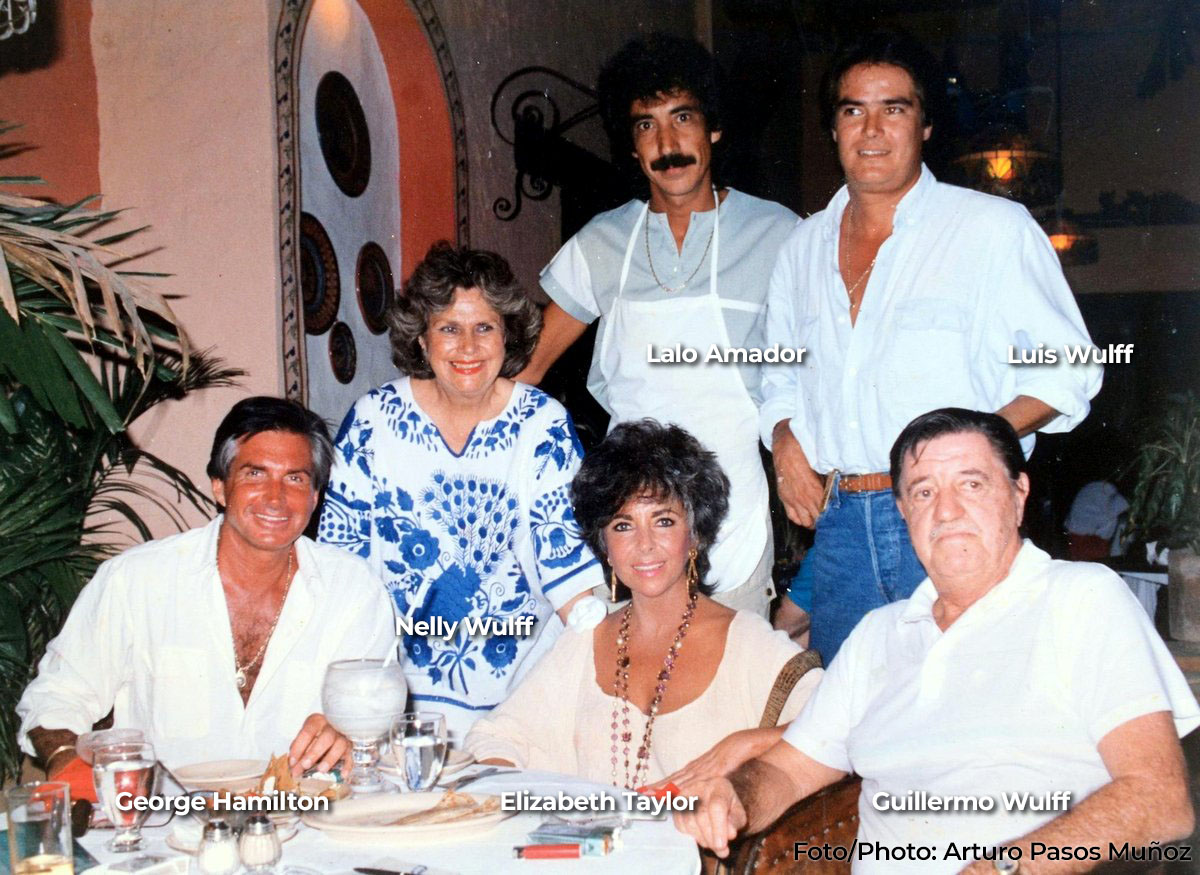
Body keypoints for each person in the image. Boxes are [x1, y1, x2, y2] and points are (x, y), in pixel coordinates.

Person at [675, 409, 1198, 872]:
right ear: (903, 513)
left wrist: (1005, 869)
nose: (945, 511)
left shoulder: (1082, 598)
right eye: (923, 491)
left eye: (971, 484)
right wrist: (735, 796)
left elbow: (1160, 799)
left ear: (1019, 495)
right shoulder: (880, 633)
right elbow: (788, 771)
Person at [762, 30, 1103, 659]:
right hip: (841, 529)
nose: (871, 129)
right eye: (852, 110)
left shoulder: (990, 230)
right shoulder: (799, 250)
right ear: (832, 129)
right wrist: (784, 441)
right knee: (853, 734)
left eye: (894, 108)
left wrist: (960, 452)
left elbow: (1070, 368)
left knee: (969, 722)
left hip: (955, 516)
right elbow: (777, 372)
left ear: (924, 126)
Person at [517, 34, 799, 616]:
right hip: (630, 514)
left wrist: (794, 445)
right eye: (647, 126)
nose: (668, 144)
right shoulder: (600, 242)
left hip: (735, 510)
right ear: (632, 145)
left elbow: (811, 365)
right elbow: (530, 371)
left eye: (683, 118)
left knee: (732, 691)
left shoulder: (780, 234)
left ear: (713, 128)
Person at [18, 397, 396, 779]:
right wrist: (70, 764)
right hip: (164, 823)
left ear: (315, 497)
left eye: (295, 478)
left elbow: (379, 723)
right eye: (255, 474)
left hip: (306, 820)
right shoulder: (136, 580)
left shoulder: (354, 591)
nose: (275, 498)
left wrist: (351, 733)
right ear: (219, 486)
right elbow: (55, 698)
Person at [318, 243, 602, 740]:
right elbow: (340, 565)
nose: (468, 347)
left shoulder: (541, 424)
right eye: (449, 328)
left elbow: (568, 570)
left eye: (484, 327)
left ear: (507, 336)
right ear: (423, 341)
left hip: (521, 697)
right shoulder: (372, 422)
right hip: (392, 699)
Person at [464, 420, 821, 788]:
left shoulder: (748, 642)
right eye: (623, 526)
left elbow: (844, 728)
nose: (644, 543)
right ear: (604, 545)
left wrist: (740, 746)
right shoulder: (585, 641)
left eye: (663, 521)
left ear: (695, 533)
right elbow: (496, 737)